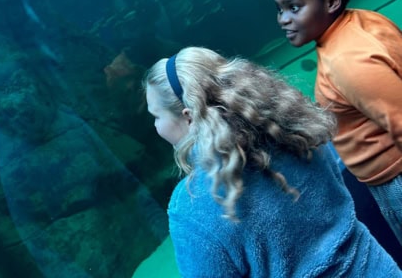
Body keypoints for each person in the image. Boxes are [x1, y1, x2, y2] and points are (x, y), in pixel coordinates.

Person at [143, 46, 401, 277]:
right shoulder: (296, 128)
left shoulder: (191, 206)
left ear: (189, 118)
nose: (156, 125)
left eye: (156, 116)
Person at [273, 0, 402, 245]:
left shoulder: (347, 60)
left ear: (331, 2)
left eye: (294, 7)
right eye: (280, 10)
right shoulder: (357, 21)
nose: (283, 19)